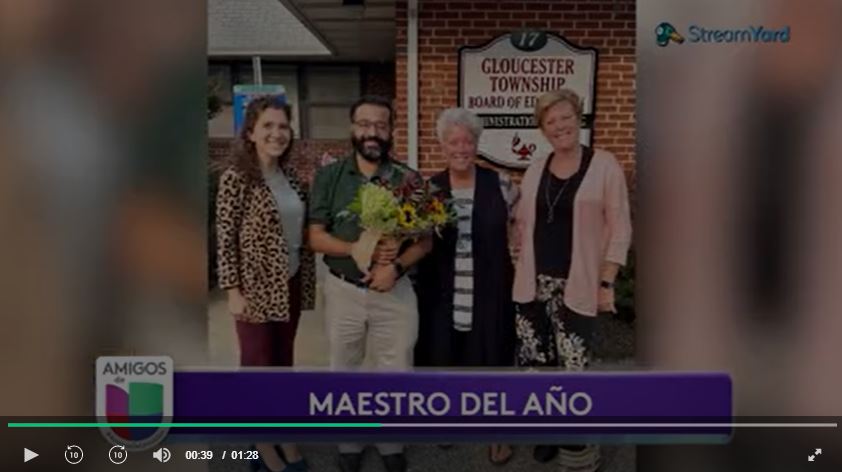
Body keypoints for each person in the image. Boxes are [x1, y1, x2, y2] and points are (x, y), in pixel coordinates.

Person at [308, 95, 432, 472]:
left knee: (396, 367)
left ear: (391, 130)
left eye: (380, 125)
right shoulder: (330, 177)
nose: (372, 132)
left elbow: (425, 240)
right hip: (344, 289)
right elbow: (315, 236)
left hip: (394, 290)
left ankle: (391, 441)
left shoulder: (408, 179)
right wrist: (357, 250)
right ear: (352, 128)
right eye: (364, 124)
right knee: (344, 366)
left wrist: (394, 267)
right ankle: (349, 441)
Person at [512, 89, 632, 470]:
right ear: (542, 129)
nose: (559, 126)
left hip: (576, 284)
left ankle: (579, 446)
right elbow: (523, 219)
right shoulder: (537, 167)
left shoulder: (604, 164)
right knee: (538, 363)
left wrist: (606, 280)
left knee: (574, 367)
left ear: (578, 118)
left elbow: (620, 225)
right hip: (533, 284)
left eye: (565, 118)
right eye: (551, 121)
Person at [215, 96, 314, 472]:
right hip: (253, 289)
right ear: (252, 133)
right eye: (268, 126)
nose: (277, 133)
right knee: (257, 365)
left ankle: (281, 433)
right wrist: (233, 292)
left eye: (283, 126)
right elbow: (224, 238)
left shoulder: (290, 178)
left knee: (282, 364)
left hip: (287, 282)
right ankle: (262, 446)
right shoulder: (236, 177)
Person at [415, 108, 518, 465]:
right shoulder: (429, 188)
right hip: (443, 289)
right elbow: (417, 239)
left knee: (492, 356)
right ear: (442, 145)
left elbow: (519, 229)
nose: (461, 147)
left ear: (477, 143)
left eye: (468, 140)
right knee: (445, 355)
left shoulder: (501, 184)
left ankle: (497, 432)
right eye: (453, 141)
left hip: (490, 288)